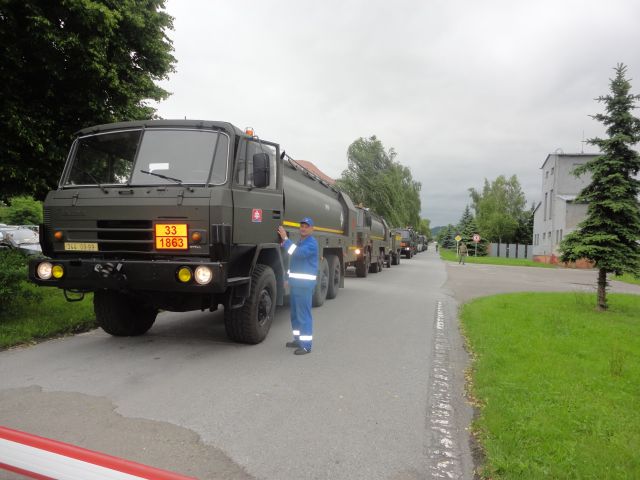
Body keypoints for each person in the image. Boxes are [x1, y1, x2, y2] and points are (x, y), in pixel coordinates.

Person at [277, 217, 318, 355]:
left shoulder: (311, 243)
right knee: (295, 315)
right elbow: (293, 260)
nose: (303, 228)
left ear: (312, 229)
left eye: (306, 226)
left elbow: (299, 254)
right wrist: (288, 279)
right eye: (302, 226)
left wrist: (285, 239)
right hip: (296, 284)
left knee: (303, 316)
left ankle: (306, 346)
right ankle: (298, 340)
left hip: (304, 286)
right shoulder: (301, 242)